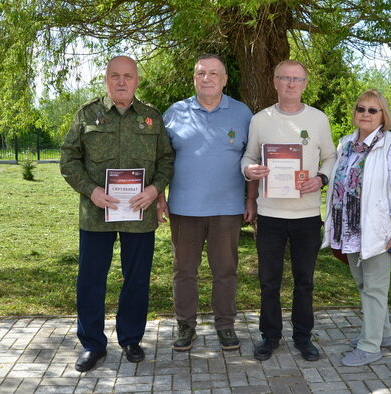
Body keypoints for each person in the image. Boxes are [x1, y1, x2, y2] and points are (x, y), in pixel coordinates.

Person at [60, 55, 175, 372]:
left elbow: (166, 158)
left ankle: (131, 339)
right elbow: (69, 160)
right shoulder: (87, 115)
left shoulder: (151, 117)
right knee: (90, 281)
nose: (121, 81)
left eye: (128, 76)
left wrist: (154, 189)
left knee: (136, 280)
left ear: (137, 80)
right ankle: (92, 344)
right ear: (106, 79)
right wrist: (91, 190)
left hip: (140, 215)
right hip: (97, 215)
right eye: (115, 76)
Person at [159, 54, 256, 352]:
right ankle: (185, 325)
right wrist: (159, 198)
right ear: (194, 78)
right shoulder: (174, 113)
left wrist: (251, 199)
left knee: (225, 271)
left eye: (214, 73)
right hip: (184, 209)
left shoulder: (242, 114)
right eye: (201, 73)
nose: (207, 78)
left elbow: (252, 159)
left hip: (227, 210)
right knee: (184, 271)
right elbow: (161, 159)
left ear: (225, 79)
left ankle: (225, 325)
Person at [241, 59, 336, 362]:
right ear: (275, 82)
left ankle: (303, 337)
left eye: (297, 79)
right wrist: (249, 170)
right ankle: (269, 337)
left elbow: (331, 158)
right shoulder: (260, 119)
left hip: (306, 215)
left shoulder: (319, 119)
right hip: (270, 214)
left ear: (306, 84)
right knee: (269, 281)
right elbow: (247, 156)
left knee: (304, 280)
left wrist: (321, 178)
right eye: (285, 78)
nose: (291, 84)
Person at [321, 89, 391, 366]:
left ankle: (370, 347)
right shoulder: (345, 144)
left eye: (373, 110)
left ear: (383, 116)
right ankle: (382, 334)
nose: (365, 114)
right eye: (361, 108)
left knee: (374, 288)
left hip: (377, 231)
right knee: (364, 284)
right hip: (348, 230)